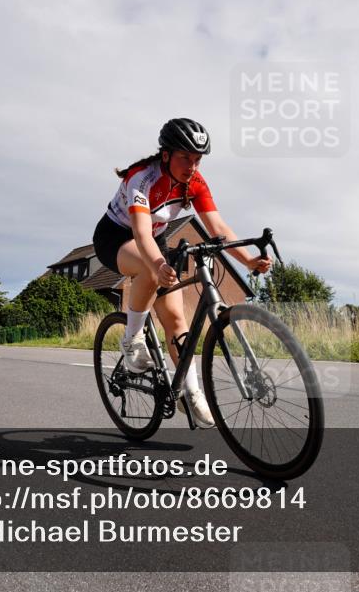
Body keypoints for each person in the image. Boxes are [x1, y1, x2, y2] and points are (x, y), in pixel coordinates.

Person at [92, 118, 272, 427]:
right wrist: (159, 264)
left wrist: (248, 261)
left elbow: (218, 229)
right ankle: (132, 339)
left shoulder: (196, 182)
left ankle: (192, 393)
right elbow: (142, 235)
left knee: (176, 320)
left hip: (154, 238)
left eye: (198, 159)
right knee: (151, 270)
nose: (192, 165)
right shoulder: (142, 179)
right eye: (185, 157)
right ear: (166, 155)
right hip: (117, 237)